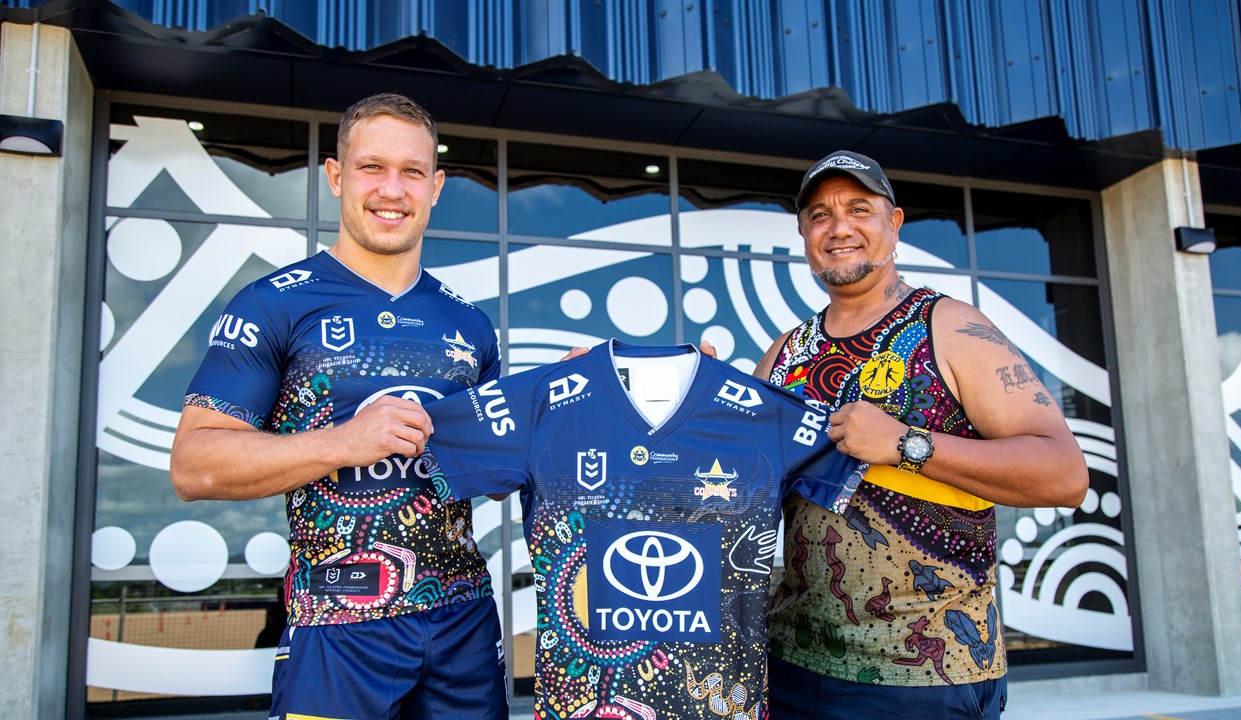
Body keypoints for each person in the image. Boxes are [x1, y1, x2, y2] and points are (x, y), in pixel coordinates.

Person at [170, 93, 507, 720]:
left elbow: (498, 473)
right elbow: (195, 465)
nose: (392, 190)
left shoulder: (471, 325)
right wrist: (343, 442)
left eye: (412, 172)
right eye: (371, 167)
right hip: (335, 623)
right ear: (335, 176)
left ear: (435, 188)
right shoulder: (273, 303)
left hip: (464, 622)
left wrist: (577, 393)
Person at [759, 150, 1090, 718]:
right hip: (790, 665)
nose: (838, 228)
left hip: (925, 675)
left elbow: (1064, 474)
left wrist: (906, 444)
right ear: (804, 234)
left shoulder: (953, 327)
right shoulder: (784, 353)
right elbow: (734, 491)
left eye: (858, 209)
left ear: (894, 224)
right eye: (819, 215)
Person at [418, 339, 867, 720]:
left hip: (724, 704)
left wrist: (901, 443)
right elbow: (429, 431)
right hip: (585, 705)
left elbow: (854, 456)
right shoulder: (542, 401)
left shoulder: (765, 413)